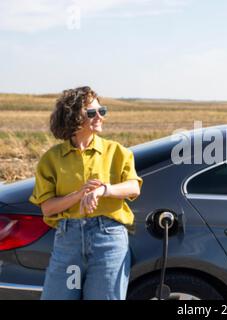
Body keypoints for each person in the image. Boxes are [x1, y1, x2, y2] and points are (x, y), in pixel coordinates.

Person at [29, 86, 143, 300]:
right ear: (72, 117)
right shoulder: (51, 159)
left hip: (108, 240)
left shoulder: (117, 151)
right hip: (68, 240)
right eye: (91, 113)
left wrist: (103, 190)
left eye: (102, 111)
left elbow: (133, 187)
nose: (99, 117)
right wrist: (78, 195)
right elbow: (48, 207)